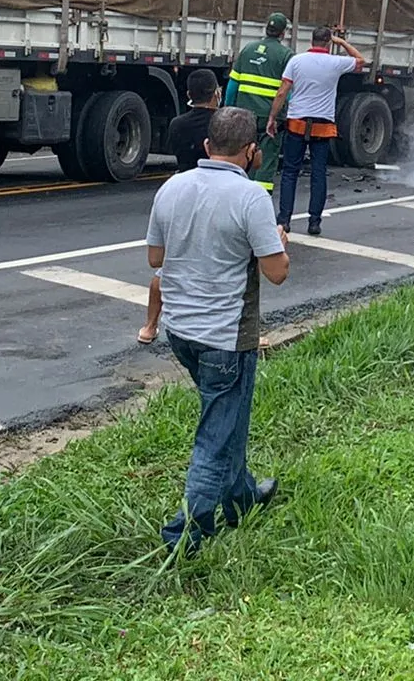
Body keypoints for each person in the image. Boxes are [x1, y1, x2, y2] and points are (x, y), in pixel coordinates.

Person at [144, 107, 289, 554]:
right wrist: (280, 243)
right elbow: (277, 273)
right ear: (252, 153)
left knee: (228, 420)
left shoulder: (172, 187)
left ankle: (242, 497)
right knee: (215, 436)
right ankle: (184, 536)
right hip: (226, 338)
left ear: (207, 147)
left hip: (180, 332)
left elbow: (155, 259)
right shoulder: (251, 198)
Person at [140, 68, 223, 345]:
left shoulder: (177, 124)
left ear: (188, 94)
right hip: (215, 189)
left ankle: (150, 326)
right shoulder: (221, 124)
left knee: (167, 265)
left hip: (181, 186)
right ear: (216, 93)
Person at [267, 26, 364, 236]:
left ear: (311, 41)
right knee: (318, 174)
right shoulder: (335, 63)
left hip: (297, 123)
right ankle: (314, 222)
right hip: (323, 126)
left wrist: (272, 117)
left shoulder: (296, 61)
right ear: (328, 43)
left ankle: (284, 220)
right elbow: (360, 61)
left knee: (290, 173)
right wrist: (342, 43)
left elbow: (283, 91)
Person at [226, 13, 294, 191]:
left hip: (243, 114)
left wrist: (227, 109)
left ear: (266, 29)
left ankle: (239, 190)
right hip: (269, 116)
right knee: (267, 158)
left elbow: (233, 85)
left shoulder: (248, 49)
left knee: (242, 153)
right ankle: (260, 197)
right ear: (283, 33)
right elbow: (286, 92)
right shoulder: (286, 55)